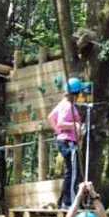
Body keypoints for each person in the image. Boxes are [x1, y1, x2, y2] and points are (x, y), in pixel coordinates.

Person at [48, 77, 84, 209]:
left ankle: (63, 202)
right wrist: (76, 125)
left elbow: (50, 118)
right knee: (72, 173)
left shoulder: (62, 103)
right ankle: (68, 202)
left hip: (64, 140)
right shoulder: (68, 106)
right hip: (68, 142)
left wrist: (59, 133)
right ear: (77, 92)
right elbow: (61, 122)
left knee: (70, 172)